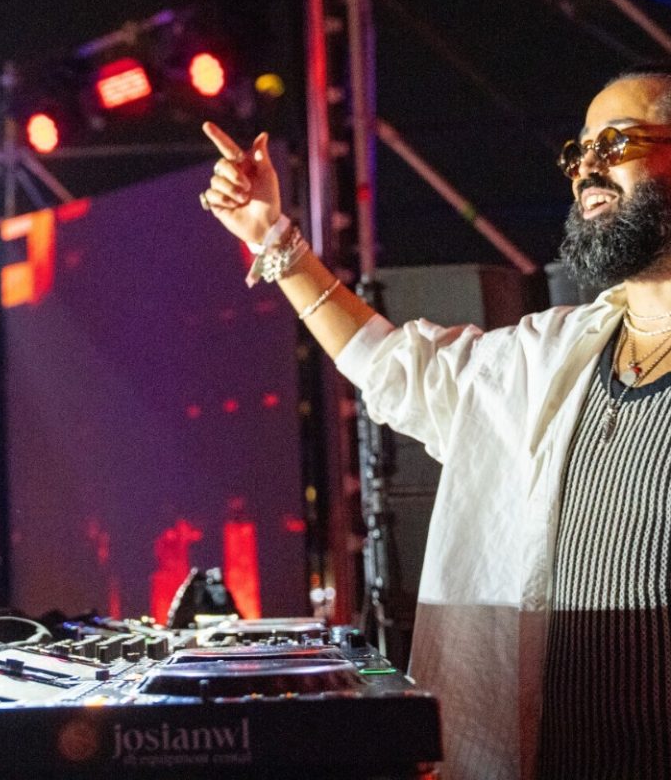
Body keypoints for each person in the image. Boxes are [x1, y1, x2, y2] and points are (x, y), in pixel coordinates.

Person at [199, 67, 671, 780]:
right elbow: (396, 367)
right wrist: (275, 239)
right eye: (578, 152)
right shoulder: (548, 359)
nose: (587, 168)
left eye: (615, 142)